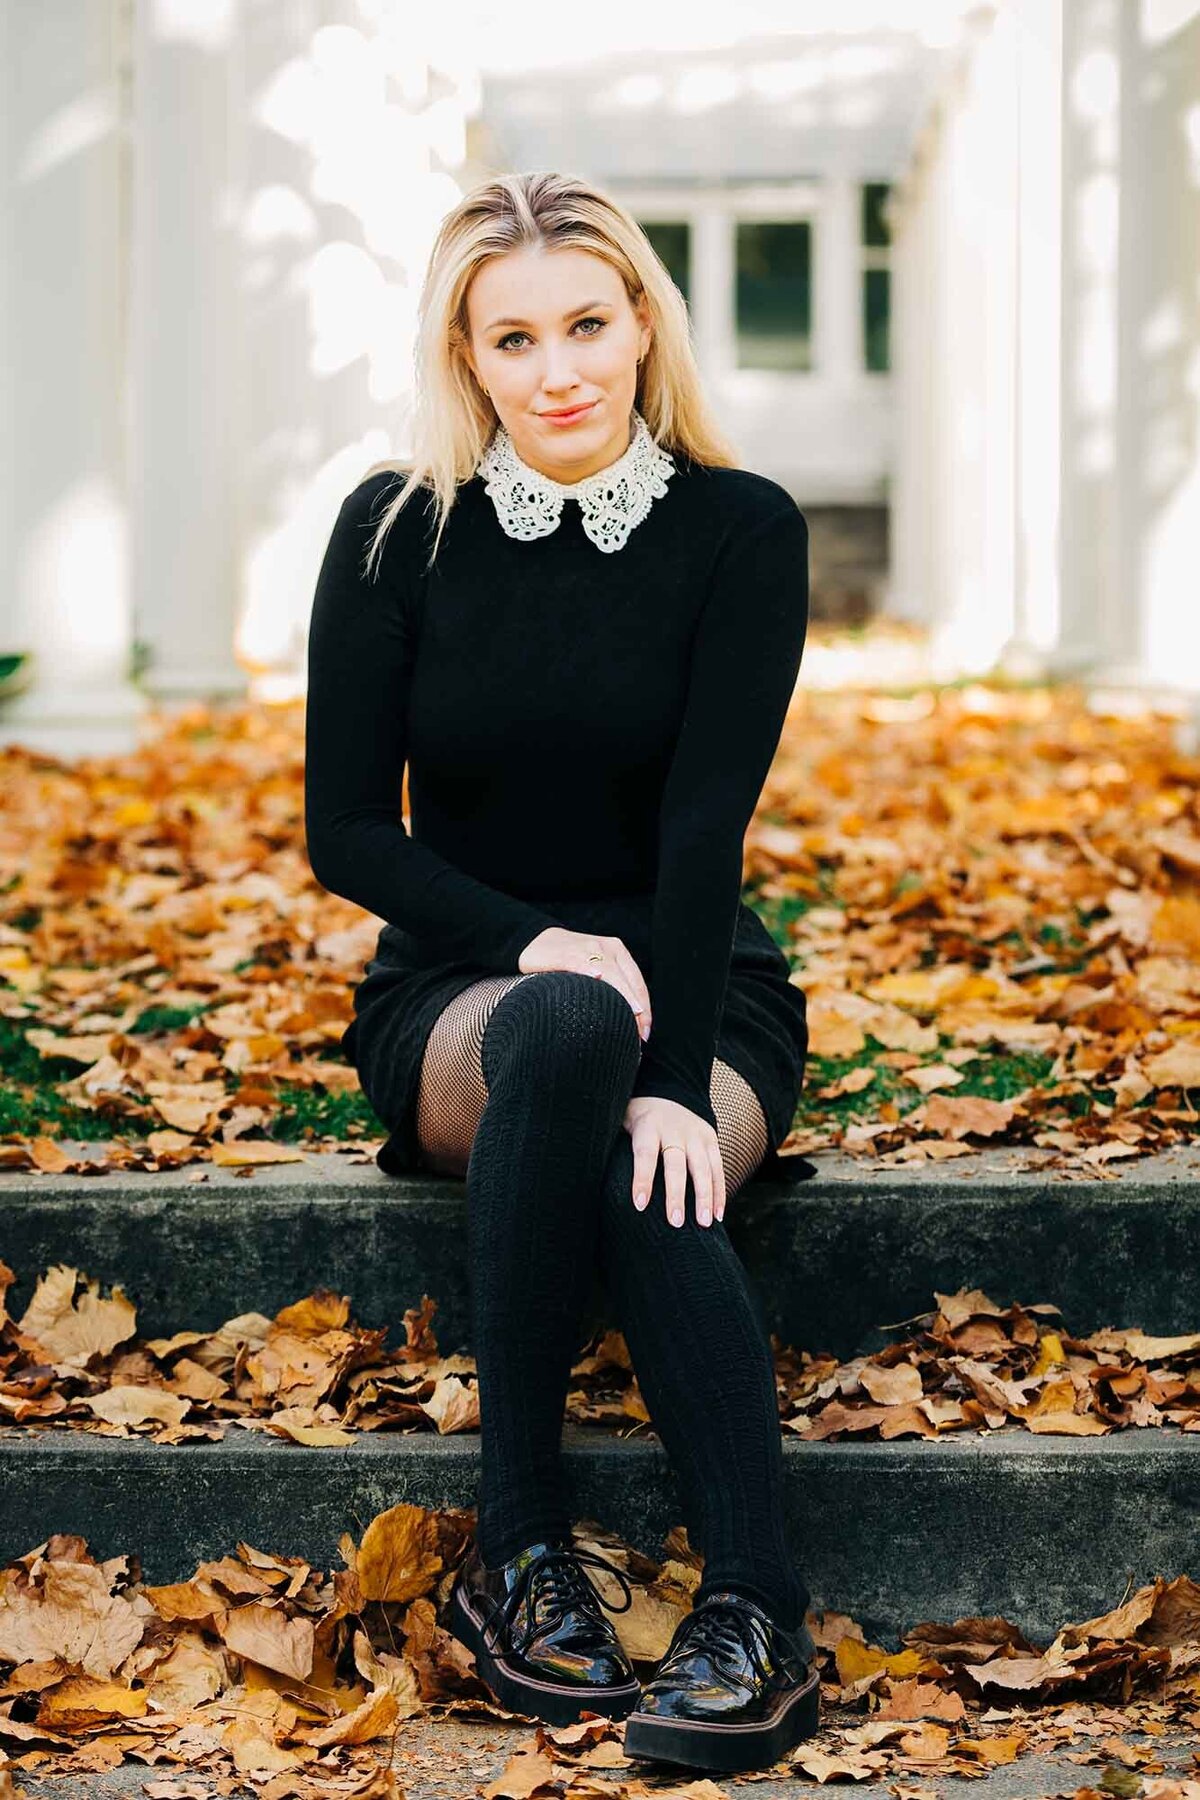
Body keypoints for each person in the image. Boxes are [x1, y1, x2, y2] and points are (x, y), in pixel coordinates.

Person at [304, 169, 820, 1775]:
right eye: (513, 337)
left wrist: (674, 1083)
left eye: (588, 322)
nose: (560, 370)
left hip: (703, 986)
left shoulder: (740, 532)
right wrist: (535, 942)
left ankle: (754, 1611)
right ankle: (519, 1538)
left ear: (644, 320)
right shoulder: (398, 530)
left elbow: (699, 827)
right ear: (468, 358)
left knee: (635, 1172)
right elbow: (345, 834)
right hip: (465, 988)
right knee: (569, 1018)